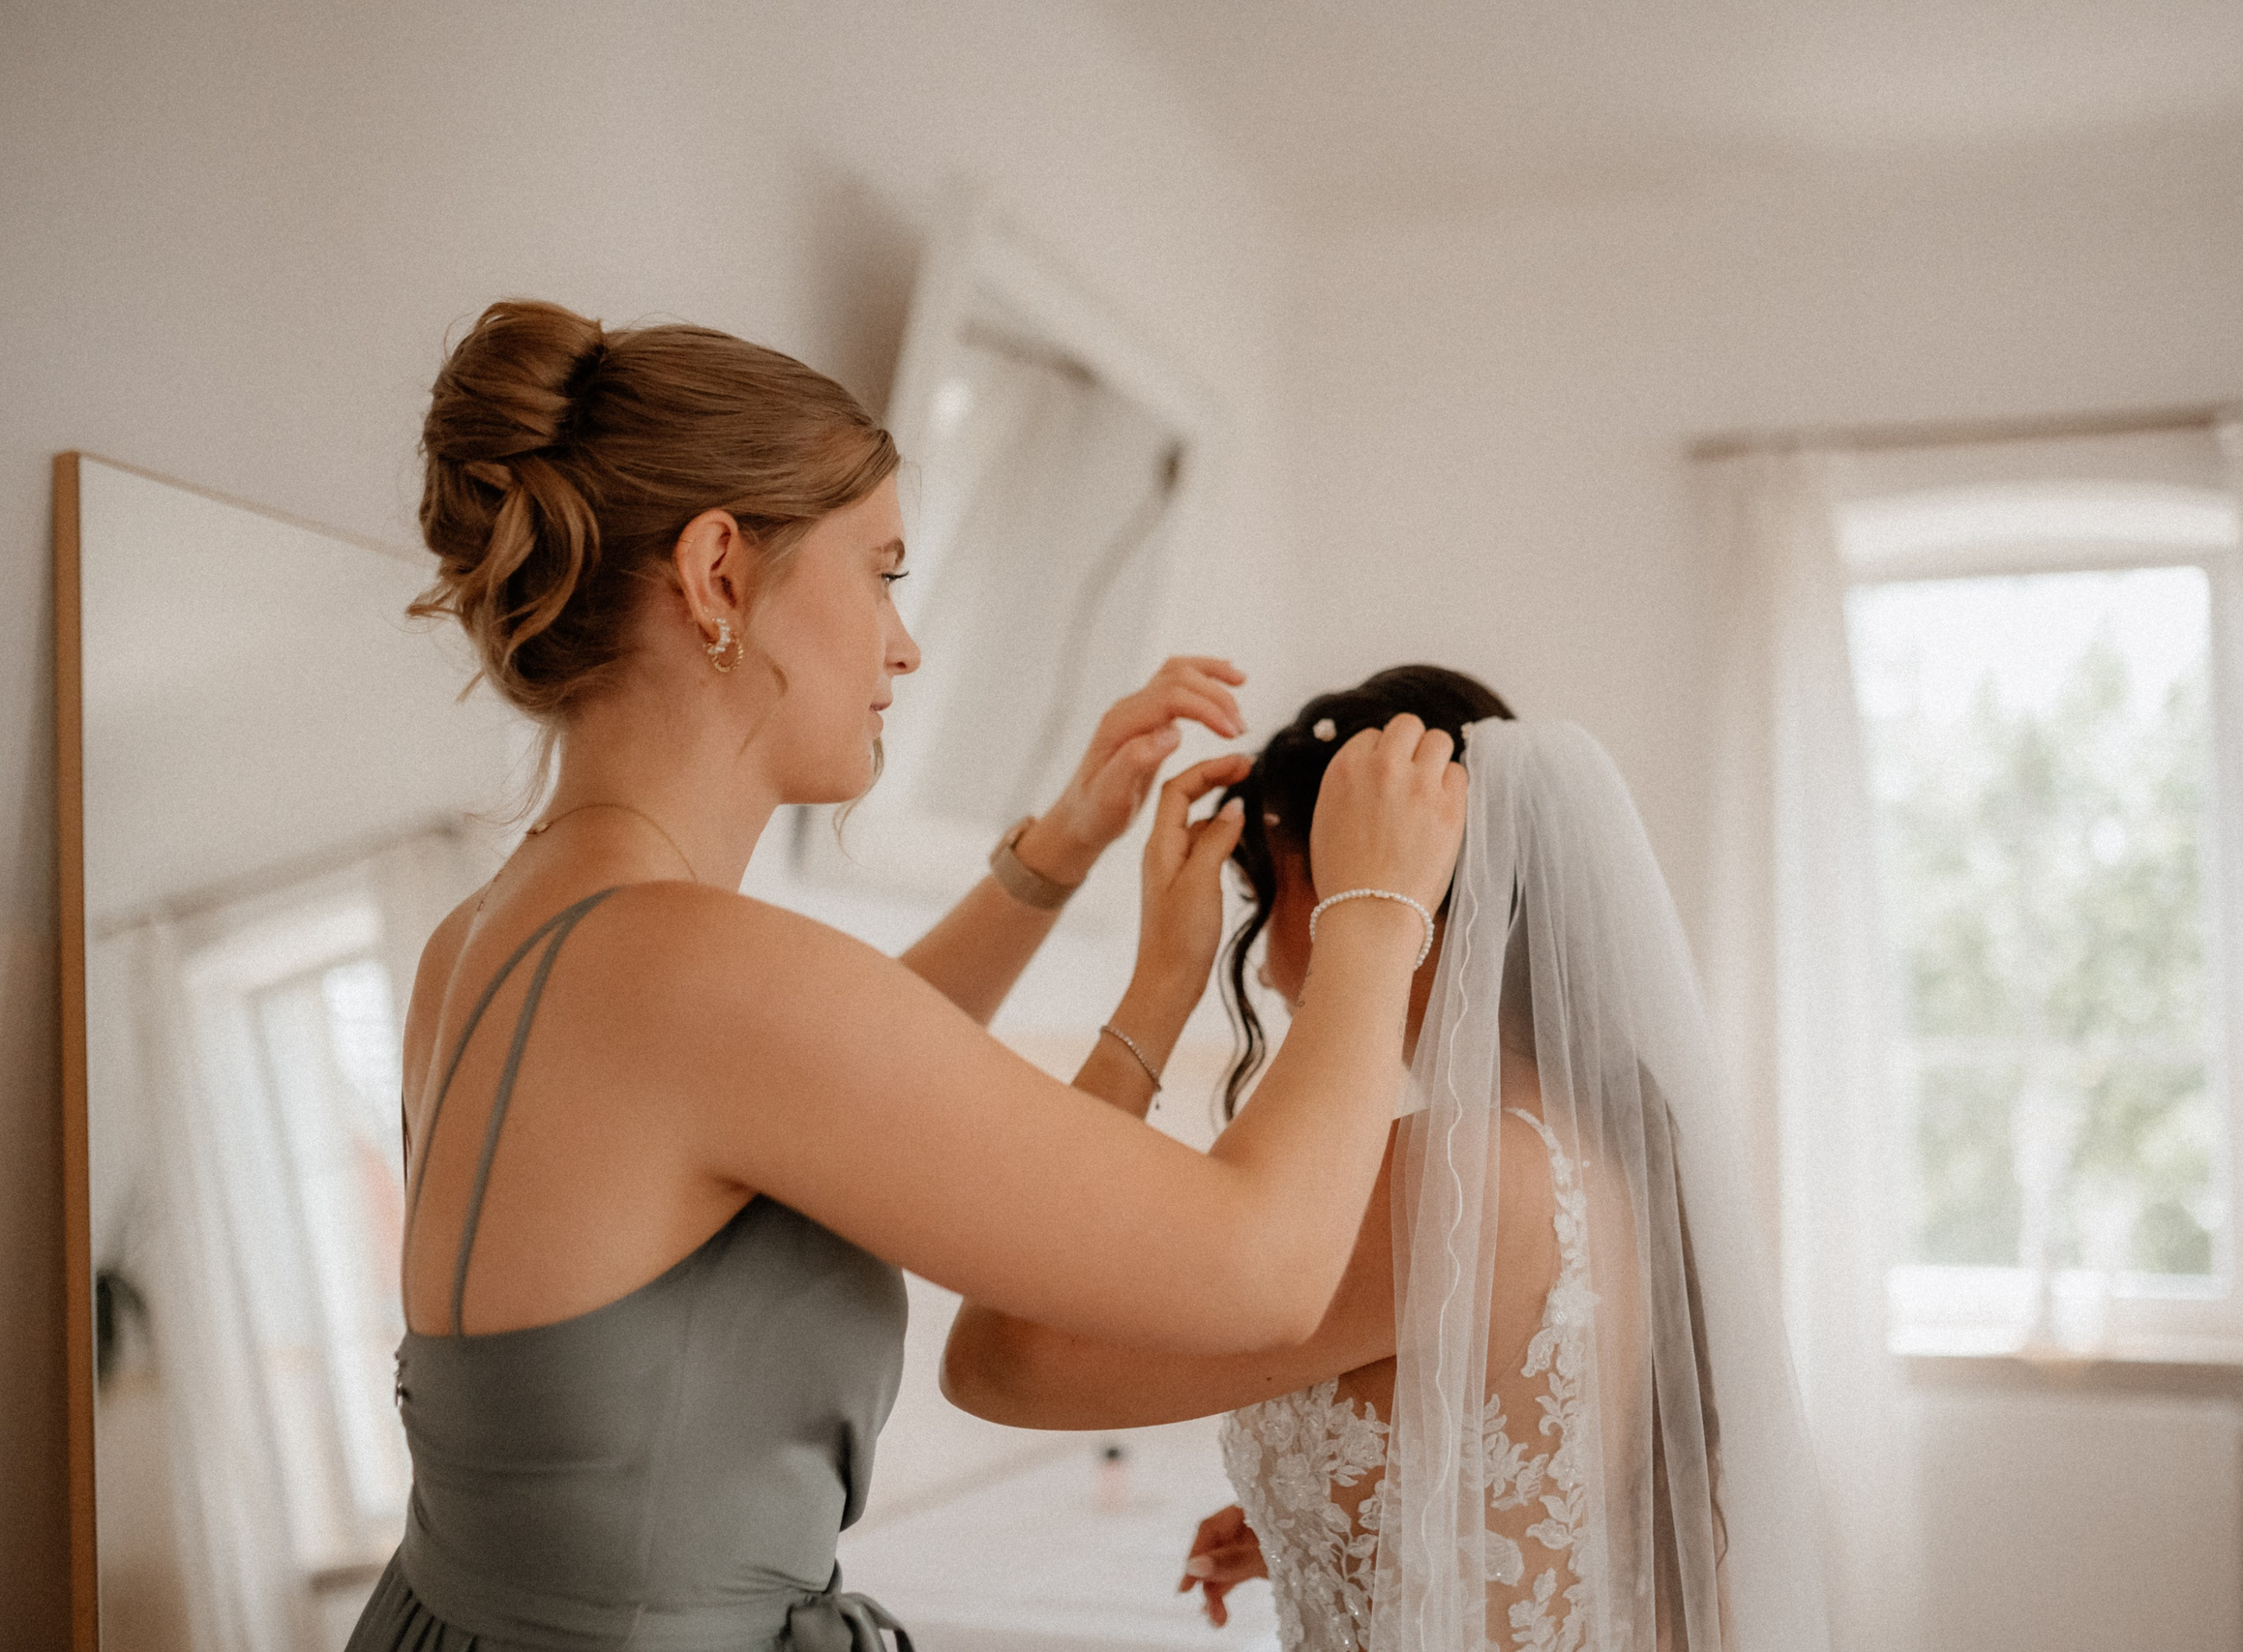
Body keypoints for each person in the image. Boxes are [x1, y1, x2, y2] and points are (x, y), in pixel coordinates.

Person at [350, 302, 1466, 1652]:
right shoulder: (692, 965)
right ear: (718, 573)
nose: (905, 642)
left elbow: (830, 1090)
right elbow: (1266, 1269)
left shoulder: (497, 933)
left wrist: (1065, 851)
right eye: (880, 571)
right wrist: (1373, 907)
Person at [942, 668, 1833, 1652]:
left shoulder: (1455, 1174)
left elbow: (1000, 1360)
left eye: (1259, 891)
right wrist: (1344, 1525)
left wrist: (1158, 988)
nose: (1258, 953)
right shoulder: (1597, 1147)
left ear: (1343, 878)